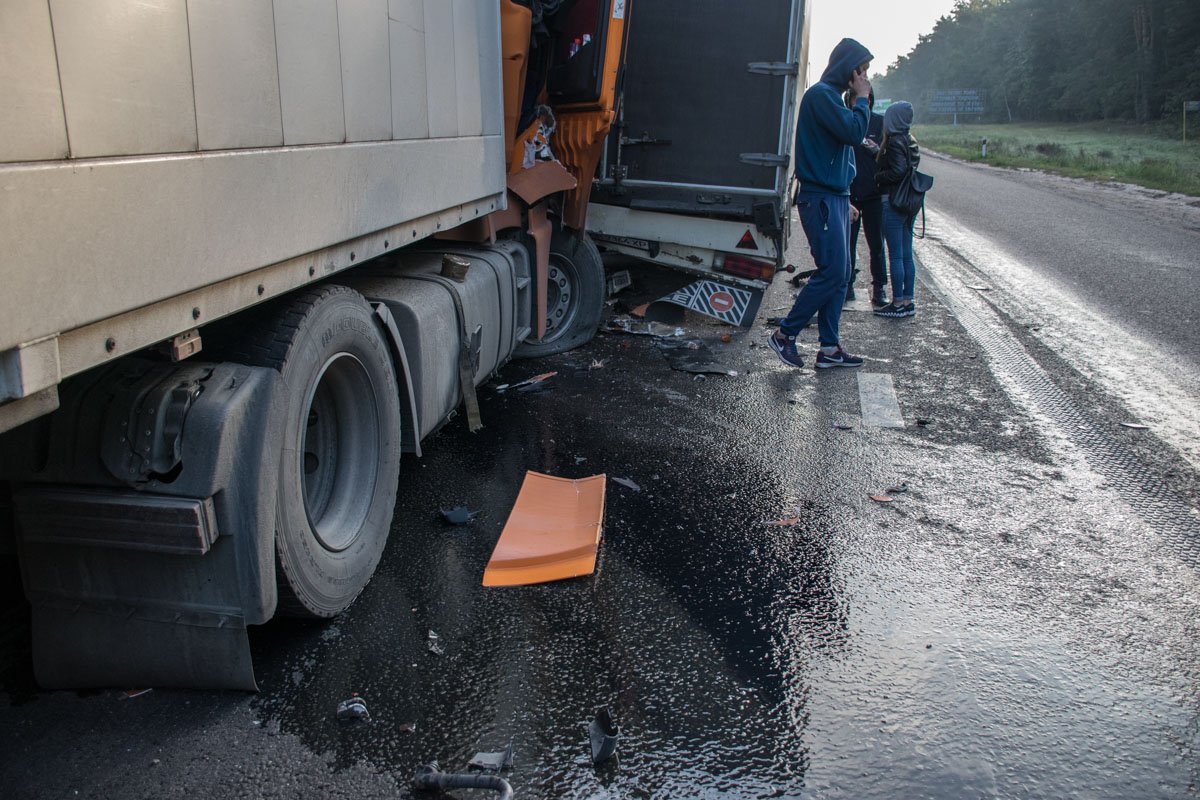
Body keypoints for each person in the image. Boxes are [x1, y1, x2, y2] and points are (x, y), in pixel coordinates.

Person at [768, 38, 873, 370]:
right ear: (849, 68)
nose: (865, 77)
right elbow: (855, 134)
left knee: (841, 275)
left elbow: (841, 151)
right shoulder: (823, 96)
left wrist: (846, 200)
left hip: (835, 199)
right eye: (862, 70)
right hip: (821, 198)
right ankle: (785, 335)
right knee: (831, 273)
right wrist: (863, 98)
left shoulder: (834, 99)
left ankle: (829, 348)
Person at [874, 101, 920, 318]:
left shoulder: (893, 142)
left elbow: (898, 171)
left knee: (895, 256)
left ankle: (897, 303)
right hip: (909, 203)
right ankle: (908, 300)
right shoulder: (911, 140)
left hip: (892, 200)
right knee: (906, 254)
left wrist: (878, 177)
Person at [846, 90, 887, 306]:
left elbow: (888, 156)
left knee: (876, 244)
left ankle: (879, 287)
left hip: (874, 194)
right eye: (856, 99)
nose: (862, 102)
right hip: (850, 194)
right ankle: (847, 284)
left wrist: (876, 150)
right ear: (849, 101)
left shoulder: (880, 123)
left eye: (866, 99)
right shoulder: (846, 121)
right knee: (847, 244)